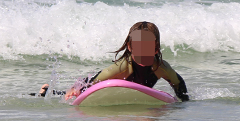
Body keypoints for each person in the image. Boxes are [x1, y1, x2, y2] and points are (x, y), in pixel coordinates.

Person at [38, 21, 189, 101]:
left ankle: (49, 91)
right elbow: (94, 80)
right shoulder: (123, 66)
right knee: (75, 92)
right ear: (130, 47)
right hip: (105, 84)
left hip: (135, 94)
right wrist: (75, 88)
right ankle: (49, 92)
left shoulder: (161, 67)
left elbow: (178, 83)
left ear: (156, 49)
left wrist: (182, 102)